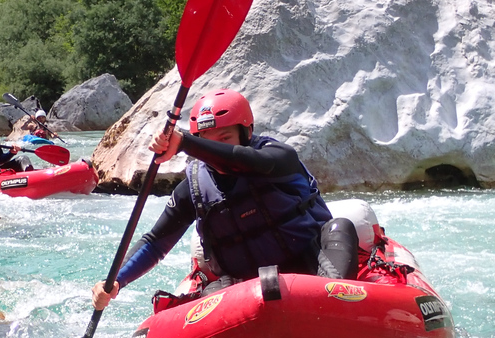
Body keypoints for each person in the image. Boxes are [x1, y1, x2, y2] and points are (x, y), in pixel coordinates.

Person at [92, 88, 359, 310]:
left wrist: (185, 142)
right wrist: (115, 280)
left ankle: (337, 305)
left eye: (225, 139)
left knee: (342, 226)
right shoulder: (193, 189)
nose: (214, 150)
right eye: (208, 142)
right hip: (242, 286)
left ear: (247, 133)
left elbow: (243, 162)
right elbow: (155, 243)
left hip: (310, 266)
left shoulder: (277, 158)